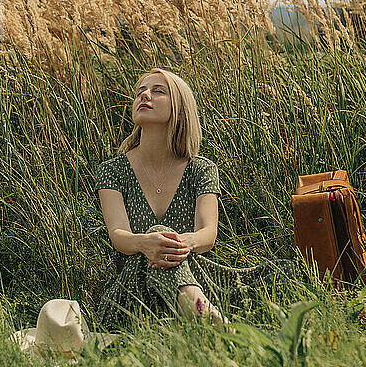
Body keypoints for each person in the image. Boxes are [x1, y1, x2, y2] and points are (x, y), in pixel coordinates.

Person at [94, 68, 296, 333]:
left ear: (179, 107)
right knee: (158, 236)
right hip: (133, 288)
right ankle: (210, 323)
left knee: (284, 272)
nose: (144, 95)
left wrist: (184, 242)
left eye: (157, 91)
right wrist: (147, 243)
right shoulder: (113, 170)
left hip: (191, 271)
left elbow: (208, 234)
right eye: (140, 91)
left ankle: (197, 314)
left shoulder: (201, 169)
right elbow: (118, 235)